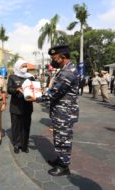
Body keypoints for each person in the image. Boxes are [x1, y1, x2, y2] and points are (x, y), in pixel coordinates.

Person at [32, 45, 79, 176]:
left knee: (63, 139)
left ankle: (64, 167)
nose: (53, 60)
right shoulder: (64, 69)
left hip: (65, 113)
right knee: (59, 138)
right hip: (61, 112)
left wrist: (35, 98)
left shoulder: (67, 72)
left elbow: (54, 92)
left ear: (62, 56)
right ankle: (60, 159)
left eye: (54, 57)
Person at [7, 59, 34, 154]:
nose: (24, 68)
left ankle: (24, 145)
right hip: (16, 106)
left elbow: (34, 89)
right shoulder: (12, 77)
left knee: (26, 126)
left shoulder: (31, 77)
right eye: (23, 66)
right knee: (16, 126)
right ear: (18, 67)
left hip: (27, 106)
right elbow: (9, 89)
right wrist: (17, 89)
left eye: (25, 66)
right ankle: (16, 144)